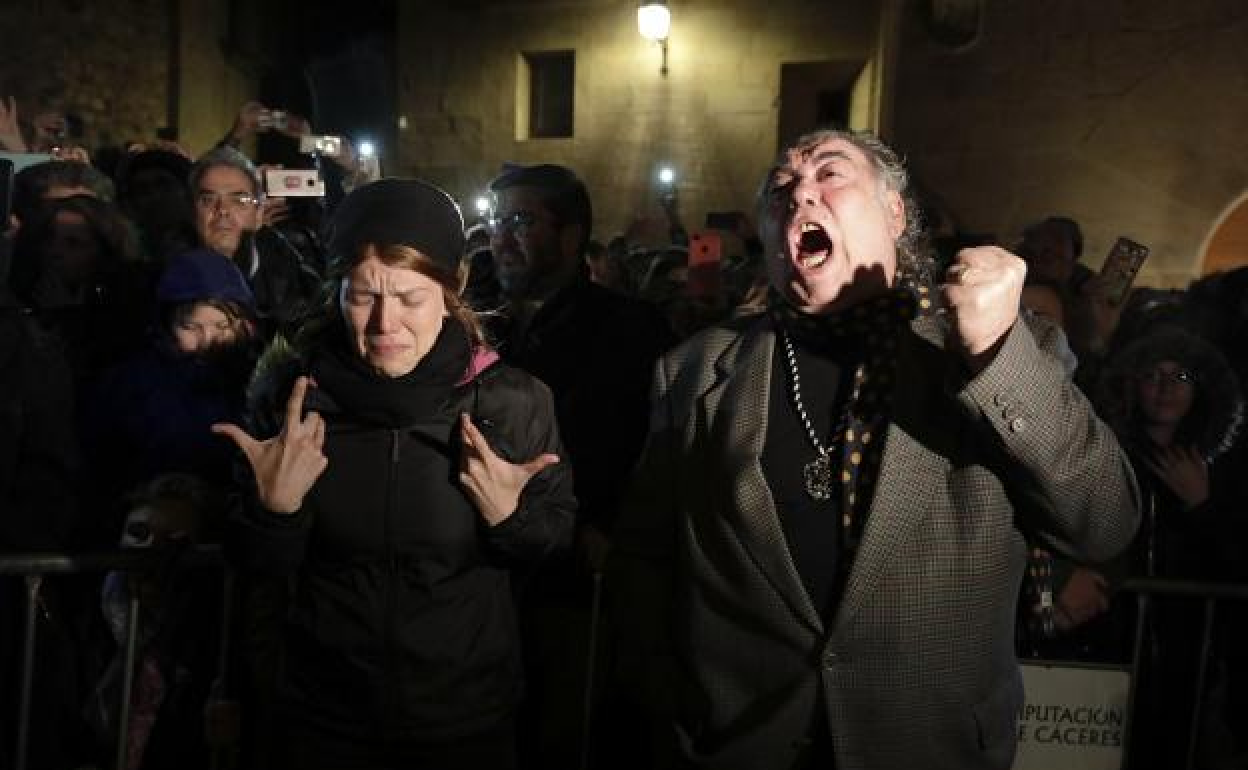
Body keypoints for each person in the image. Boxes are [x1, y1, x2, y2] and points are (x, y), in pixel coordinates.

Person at [609, 128, 1140, 770]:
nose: (801, 192)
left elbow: (1104, 523)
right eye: (780, 188)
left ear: (894, 213)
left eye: (830, 174)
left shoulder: (995, 346)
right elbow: (644, 556)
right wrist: (672, 703)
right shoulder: (695, 370)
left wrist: (997, 354)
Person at [215, 178, 576, 770]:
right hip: (323, 718)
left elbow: (555, 546)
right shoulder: (294, 399)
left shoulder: (510, 402)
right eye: (362, 296)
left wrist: (513, 521)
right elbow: (247, 564)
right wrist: (271, 515)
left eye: (408, 297)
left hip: (464, 718)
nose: (384, 322)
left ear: (450, 289)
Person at [486, 162, 676, 768]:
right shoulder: (477, 324)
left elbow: (653, 446)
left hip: (574, 572)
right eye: (497, 221)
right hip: (483, 571)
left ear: (570, 237)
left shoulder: (628, 328)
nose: (502, 237)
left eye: (521, 221)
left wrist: (609, 528)